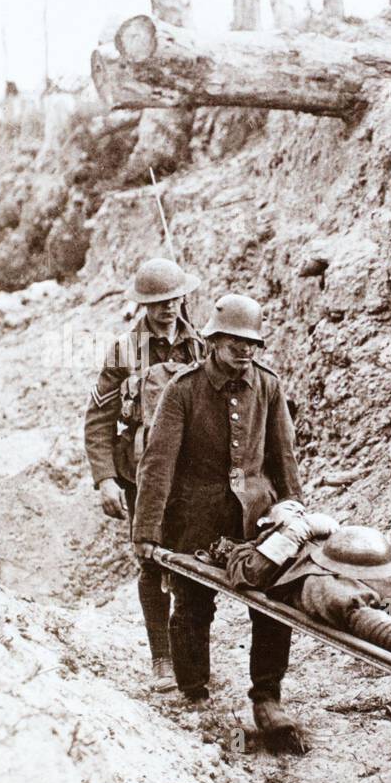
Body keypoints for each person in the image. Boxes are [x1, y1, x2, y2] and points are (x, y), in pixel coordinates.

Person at [131, 293, 302, 739]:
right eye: (235, 343)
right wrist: (147, 534)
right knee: (191, 606)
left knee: (274, 604)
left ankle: (267, 698)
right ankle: (194, 693)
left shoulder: (268, 386)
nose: (244, 352)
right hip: (196, 519)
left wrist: (294, 513)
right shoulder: (183, 390)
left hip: (257, 519)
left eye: (251, 344)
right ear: (214, 341)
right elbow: (158, 464)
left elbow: (284, 457)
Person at [83, 257, 203, 688]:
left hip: (190, 475)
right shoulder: (123, 352)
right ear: (144, 306)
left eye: (174, 299)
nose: (168, 309)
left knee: (192, 562)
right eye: (158, 303)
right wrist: (106, 479)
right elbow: (98, 420)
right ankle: (162, 659)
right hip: (140, 473)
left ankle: (190, 657)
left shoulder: (201, 347)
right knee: (151, 561)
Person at [219, 505, 391, 672]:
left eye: (301, 509)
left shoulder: (327, 533)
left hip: (364, 570)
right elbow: (250, 574)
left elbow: (381, 554)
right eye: (290, 509)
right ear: (267, 522)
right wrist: (297, 530)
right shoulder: (255, 547)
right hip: (307, 575)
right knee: (350, 604)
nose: (299, 511)